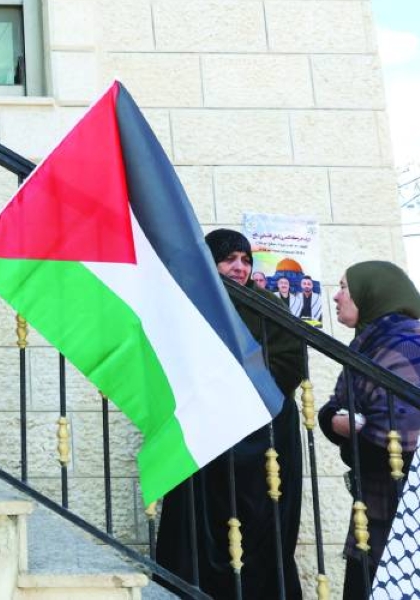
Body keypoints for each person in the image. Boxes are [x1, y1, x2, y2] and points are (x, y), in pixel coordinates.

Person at [156, 229, 305, 599]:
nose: (239, 268)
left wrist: (243, 387)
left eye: (245, 260)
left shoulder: (268, 304)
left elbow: (290, 362)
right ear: (210, 263)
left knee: (259, 526)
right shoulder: (190, 304)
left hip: (262, 436)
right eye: (228, 259)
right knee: (204, 525)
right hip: (210, 435)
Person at [318, 261, 420, 600]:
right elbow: (331, 410)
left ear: (371, 293)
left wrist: (348, 435)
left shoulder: (409, 350)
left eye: (344, 288)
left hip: (412, 520)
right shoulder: (367, 349)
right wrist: (341, 426)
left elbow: (403, 446)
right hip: (375, 510)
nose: (337, 297)